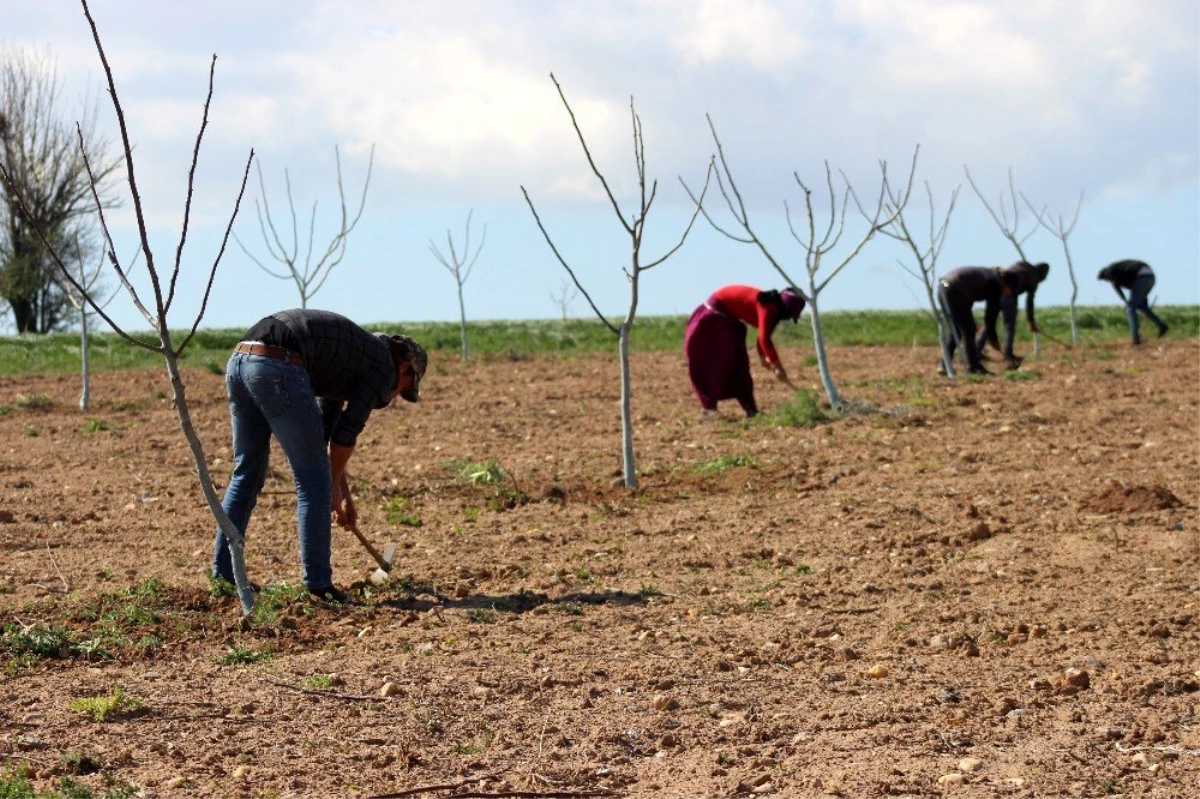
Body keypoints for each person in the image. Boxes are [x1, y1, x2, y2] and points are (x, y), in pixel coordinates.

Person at [211, 309, 427, 603]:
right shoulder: (382, 368)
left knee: (247, 473)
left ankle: (224, 575)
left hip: (241, 362)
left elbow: (326, 437)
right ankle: (319, 586)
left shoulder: (350, 361)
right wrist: (330, 488)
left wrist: (342, 494)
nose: (397, 394)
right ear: (404, 368)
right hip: (279, 365)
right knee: (313, 483)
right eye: (404, 388)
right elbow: (345, 436)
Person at [684, 284, 805, 418]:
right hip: (714, 318)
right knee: (721, 363)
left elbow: (763, 338)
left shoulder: (774, 310)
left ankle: (750, 409)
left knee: (740, 365)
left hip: (729, 320)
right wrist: (778, 367)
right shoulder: (766, 306)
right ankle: (708, 409)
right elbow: (764, 338)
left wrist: (764, 359)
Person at [938, 261, 1050, 374]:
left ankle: (944, 366)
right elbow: (990, 318)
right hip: (955, 289)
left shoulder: (992, 275)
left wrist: (972, 320)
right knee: (968, 331)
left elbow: (969, 295)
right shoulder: (996, 285)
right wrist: (994, 341)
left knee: (956, 330)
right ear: (1008, 286)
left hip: (944, 285)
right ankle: (973, 367)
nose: (1007, 294)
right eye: (1010, 291)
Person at [1097, 259, 1168, 345]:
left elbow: (1118, 289)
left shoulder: (1111, 271)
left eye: (1105, 279)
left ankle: (1136, 338)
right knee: (1142, 306)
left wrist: (1127, 303)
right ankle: (1162, 326)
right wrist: (1127, 301)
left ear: (1105, 275)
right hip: (1150, 277)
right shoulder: (1120, 274)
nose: (1107, 281)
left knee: (1131, 308)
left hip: (1142, 278)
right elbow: (1123, 289)